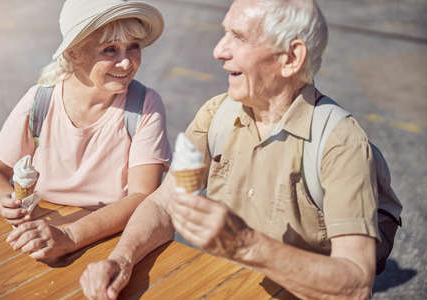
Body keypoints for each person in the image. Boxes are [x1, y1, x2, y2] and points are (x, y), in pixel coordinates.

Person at [79, 0, 380, 299]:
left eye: (239, 37)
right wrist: (122, 259)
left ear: (291, 58)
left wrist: (246, 245)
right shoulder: (217, 113)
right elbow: (164, 204)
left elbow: (355, 284)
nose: (219, 51)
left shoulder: (341, 143)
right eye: (225, 34)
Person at [0, 0, 171, 261]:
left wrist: (70, 236)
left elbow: (142, 197)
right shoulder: (40, 100)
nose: (126, 63)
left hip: (109, 240)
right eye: (110, 50)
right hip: (39, 232)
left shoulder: (144, 105)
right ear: (73, 54)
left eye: (133, 47)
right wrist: (6, 200)